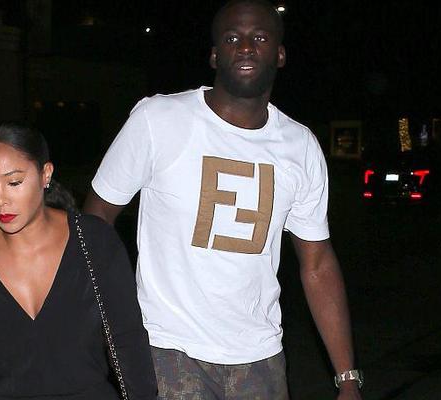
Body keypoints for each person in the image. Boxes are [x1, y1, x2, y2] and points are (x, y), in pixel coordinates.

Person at [83, 1, 362, 399]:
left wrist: (347, 378)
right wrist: (109, 321)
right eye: (232, 38)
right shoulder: (158, 120)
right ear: (214, 55)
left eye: (259, 37)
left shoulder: (299, 146)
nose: (245, 46)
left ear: (280, 54)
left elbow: (317, 264)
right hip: (167, 348)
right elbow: (96, 218)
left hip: (260, 355)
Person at [0, 123, 157, 400]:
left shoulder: (94, 241)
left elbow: (128, 340)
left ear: (46, 174)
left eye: (14, 182)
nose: (0, 200)